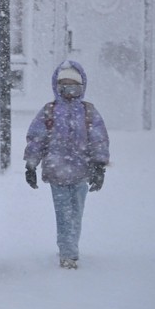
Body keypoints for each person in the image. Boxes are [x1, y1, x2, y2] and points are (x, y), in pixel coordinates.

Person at [23, 60, 110, 269]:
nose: (69, 89)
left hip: (81, 171)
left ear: (82, 86)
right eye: (64, 84)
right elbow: (37, 139)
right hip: (57, 172)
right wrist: (31, 165)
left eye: (74, 84)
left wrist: (99, 166)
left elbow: (99, 139)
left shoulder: (88, 112)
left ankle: (70, 245)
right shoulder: (50, 111)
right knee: (63, 213)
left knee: (76, 212)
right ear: (57, 86)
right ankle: (68, 253)